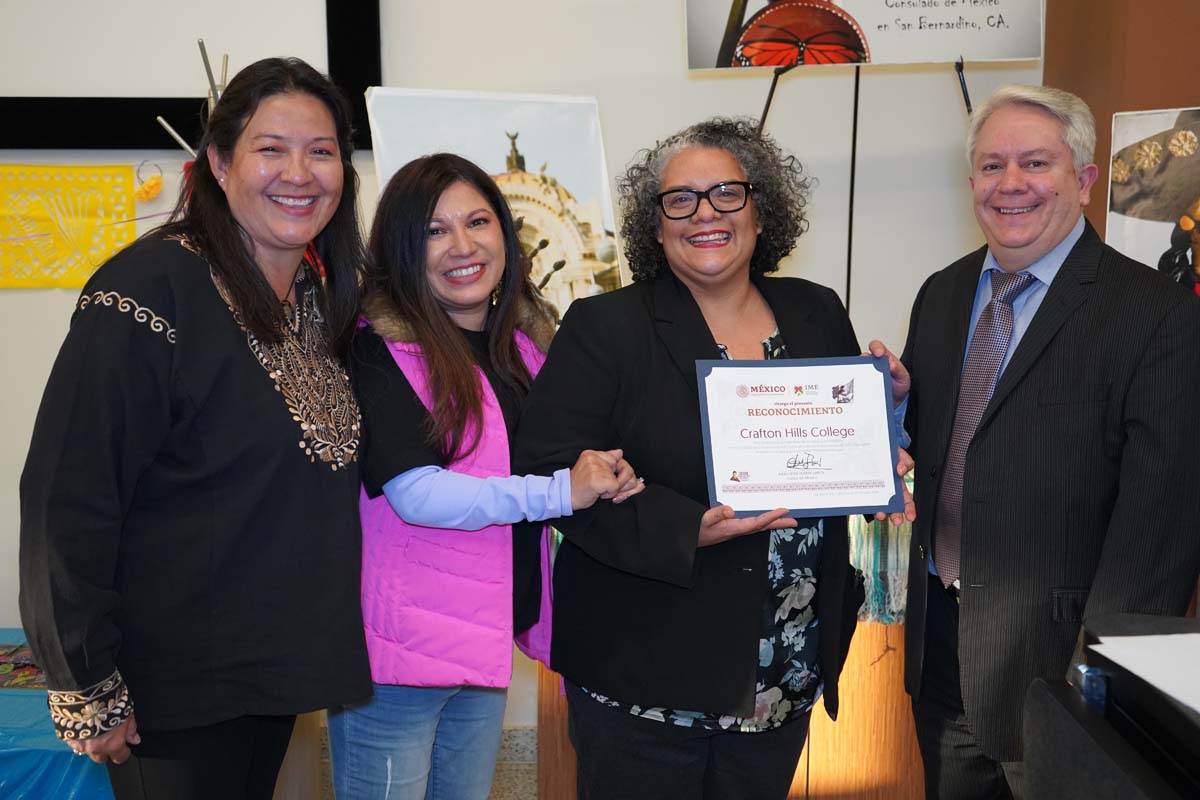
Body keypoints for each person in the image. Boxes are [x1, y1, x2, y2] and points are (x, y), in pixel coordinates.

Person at [513, 117, 910, 800]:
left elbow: (841, 446)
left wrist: (885, 425)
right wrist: (684, 527)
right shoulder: (606, 327)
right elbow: (546, 465)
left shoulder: (816, 312)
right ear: (656, 223)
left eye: (727, 193)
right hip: (645, 671)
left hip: (785, 666)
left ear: (761, 212)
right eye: (681, 199)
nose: (705, 213)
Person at [18, 57, 372, 799]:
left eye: (322, 150)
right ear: (217, 162)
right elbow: (67, 494)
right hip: (167, 695)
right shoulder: (146, 290)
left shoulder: (318, 301)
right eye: (270, 148)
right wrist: (86, 682)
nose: (299, 172)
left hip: (269, 678)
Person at [881, 84, 1200, 799]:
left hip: (1062, 680)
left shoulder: (1157, 318)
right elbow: (951, 450)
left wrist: (1100, 684)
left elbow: (1161, 529)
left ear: (1083, 180)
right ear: (971, 185)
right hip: (940, 665)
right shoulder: (941, 293)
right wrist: (891, 417)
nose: (1011, 184)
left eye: (1035, 163)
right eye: (992, 167)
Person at [327, 153, 641, 800]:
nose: (461, 246)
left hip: (486, 637)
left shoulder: (524, 348)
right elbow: (418, 493)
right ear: (401, 249)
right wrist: (561, 490)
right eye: (435, 231)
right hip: (401, 654)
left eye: (477, 221)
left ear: (506, 232)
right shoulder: (377, 345)